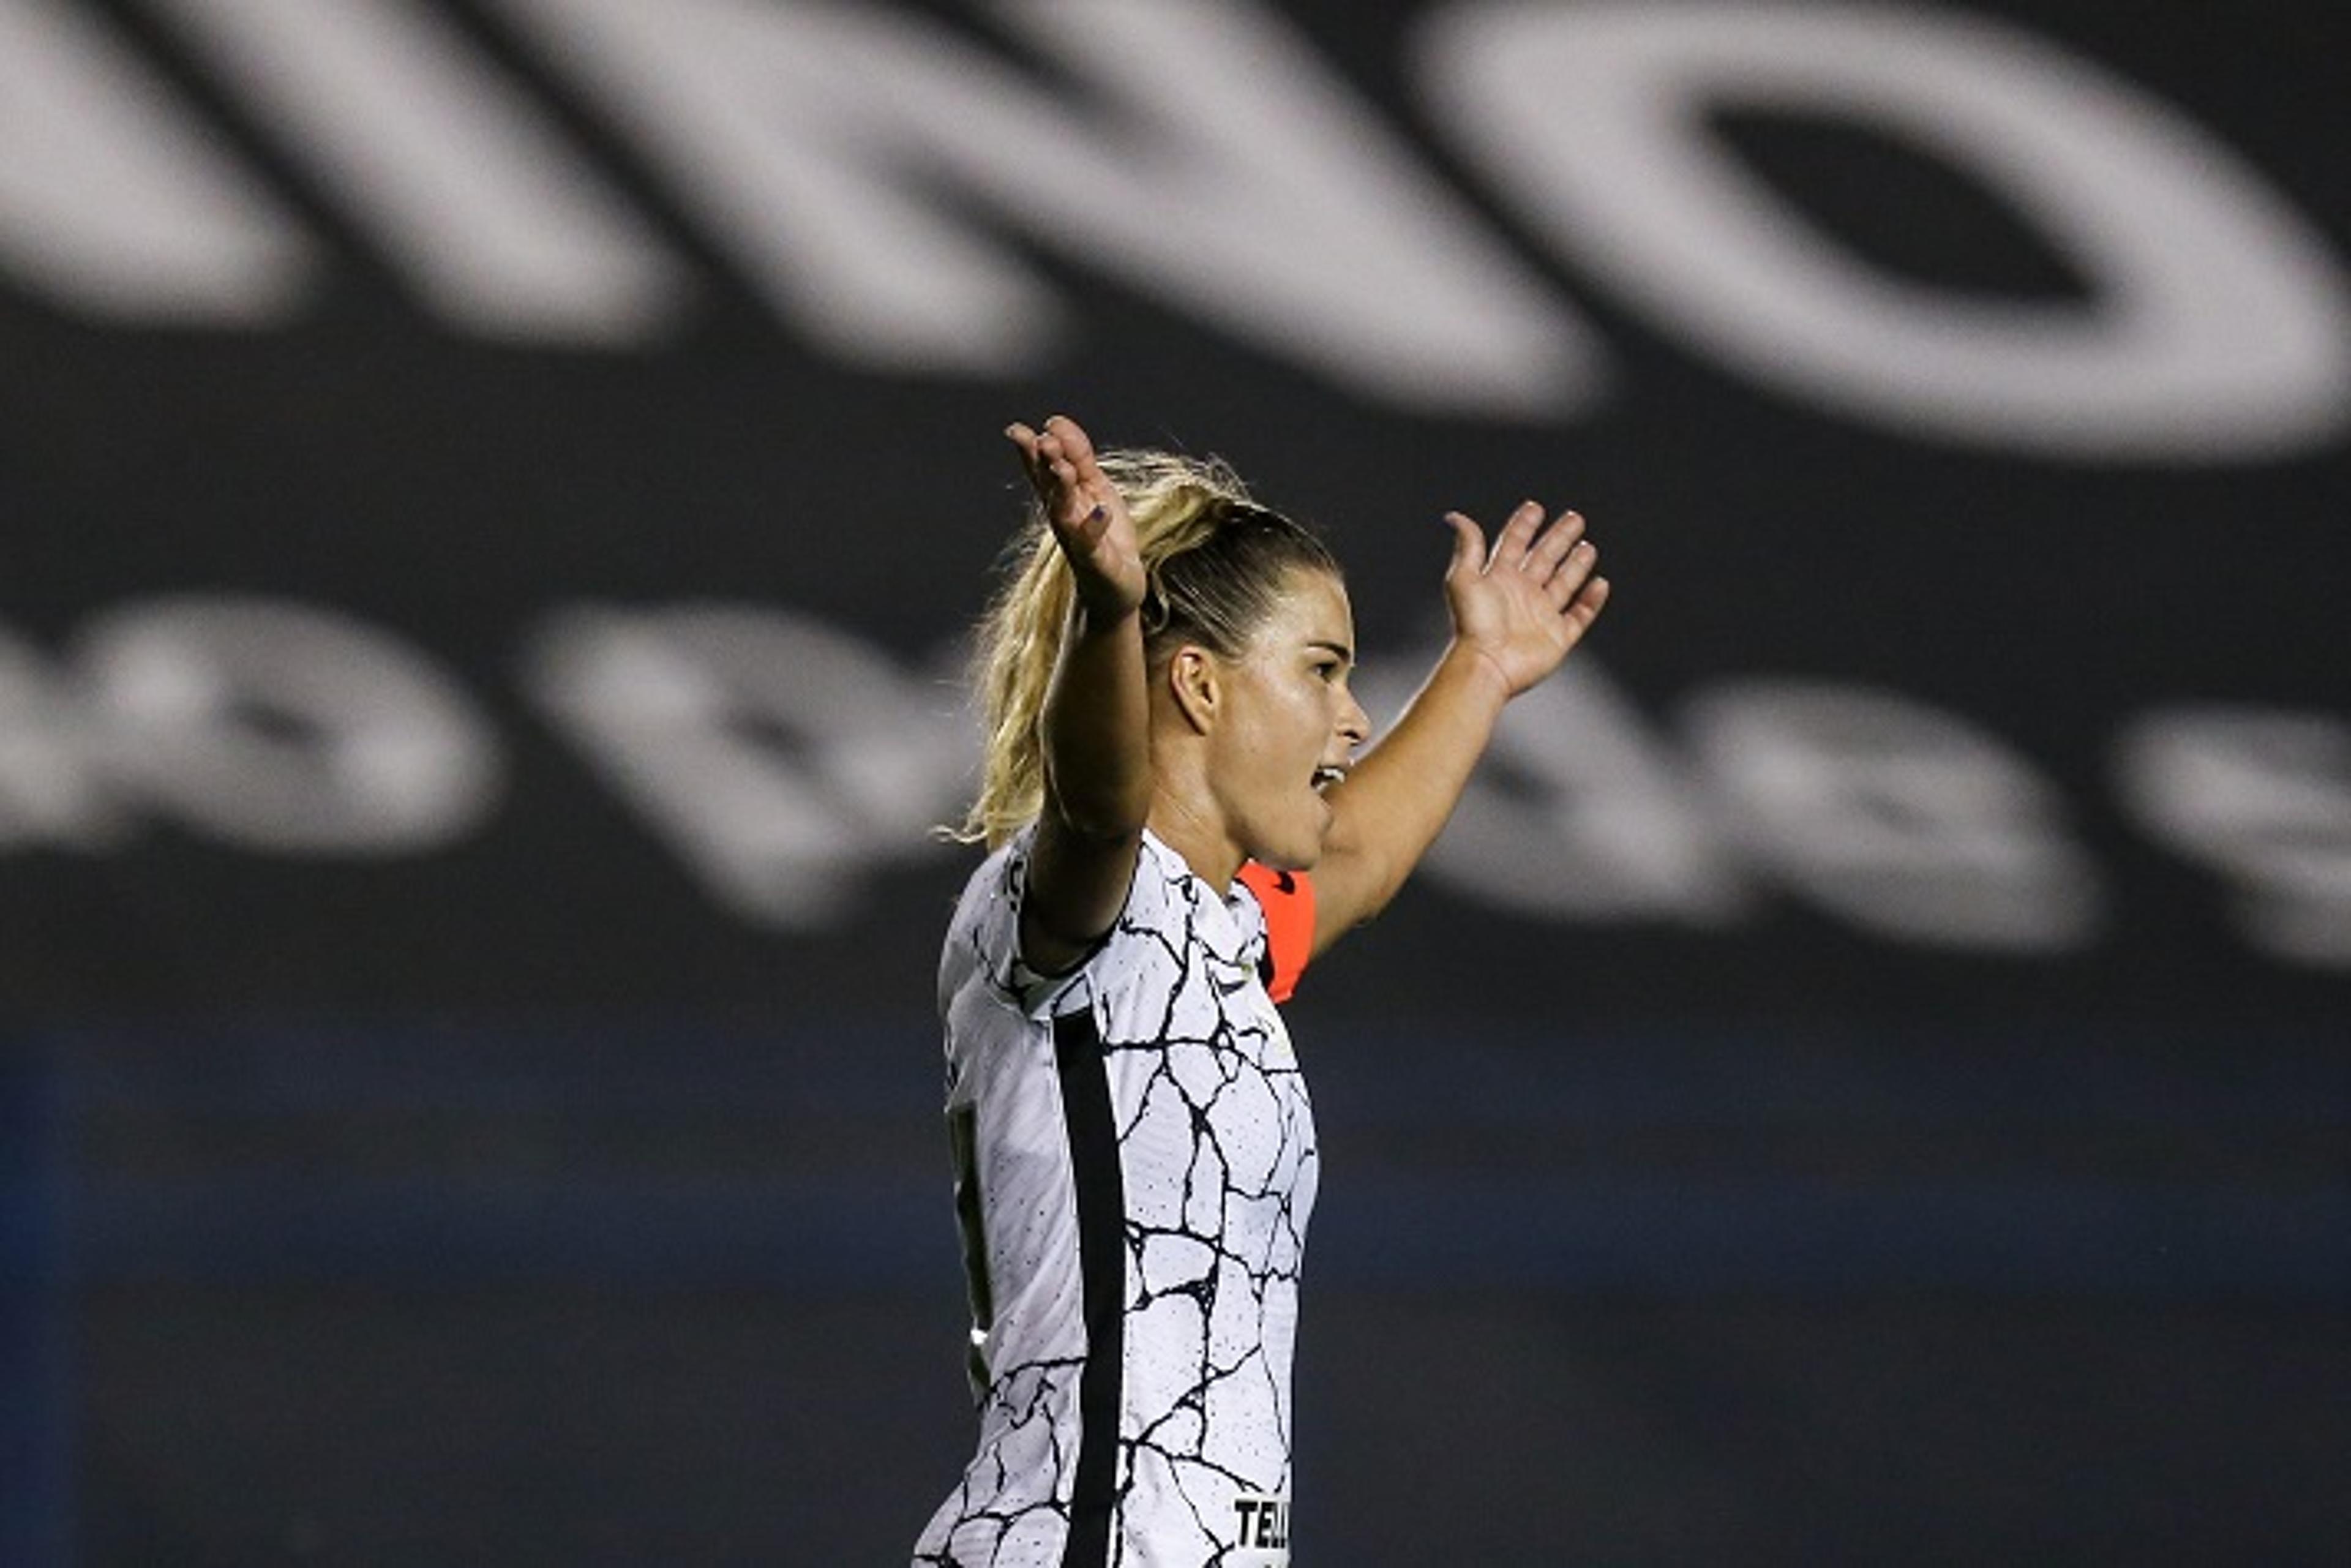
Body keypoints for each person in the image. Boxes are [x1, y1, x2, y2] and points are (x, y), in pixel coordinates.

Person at [915, 414, 1609, 1567]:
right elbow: (1096, 803)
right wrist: (1108, 612)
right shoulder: (1078, 905)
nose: (1353, 717)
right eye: (1322, 669)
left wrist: (1482, 668)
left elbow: (1356, 860)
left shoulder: (1215, 934)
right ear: (1198, 685)